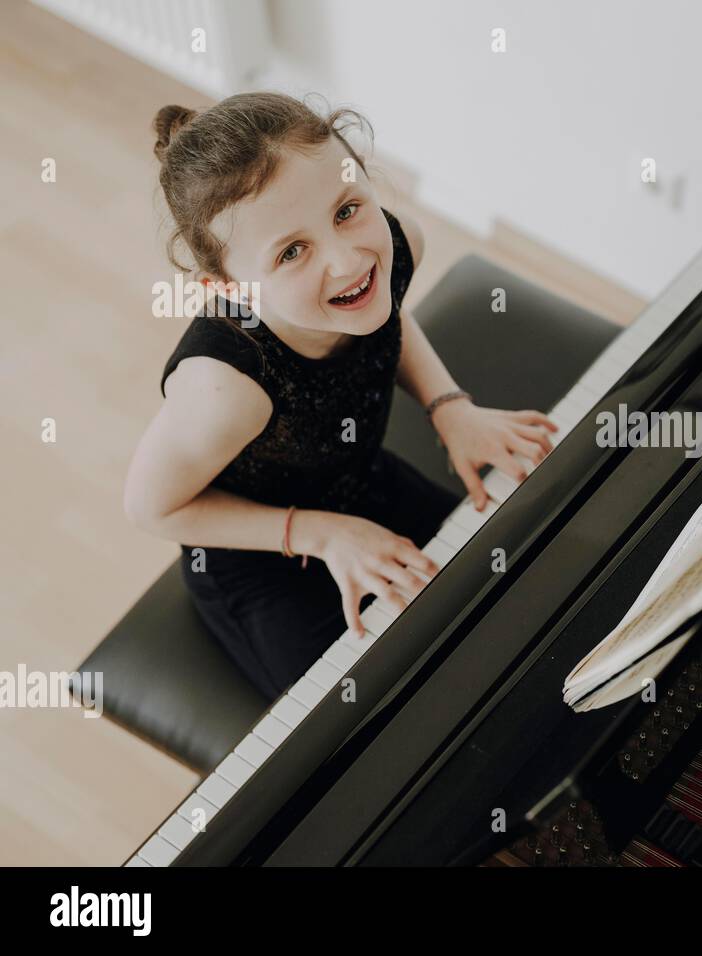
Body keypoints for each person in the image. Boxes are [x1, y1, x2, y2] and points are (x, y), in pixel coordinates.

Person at [123, 92, 557, 699]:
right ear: (229, 289)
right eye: (292, 252)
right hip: (264, 559)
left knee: (524, 590)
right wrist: (324, 534)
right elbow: (151, 509)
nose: (348, 260)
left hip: (361, 479)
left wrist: (449, 406)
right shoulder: (226, 388)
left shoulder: (398, 247)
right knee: (389, 706)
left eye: (348, 209)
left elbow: (381, 317)